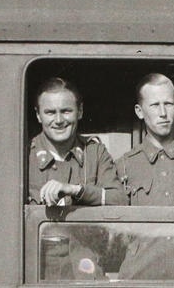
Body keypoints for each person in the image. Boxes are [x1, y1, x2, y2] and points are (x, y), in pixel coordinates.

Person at [27, 78, 124, 208]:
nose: (59, 120)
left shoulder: (95, 153)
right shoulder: (25, 155)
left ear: (80, 111)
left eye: (66, 111)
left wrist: (76, 190)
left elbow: (120, 199)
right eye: (50, 112)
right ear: (38, 115)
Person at [119, 73, 174, 207]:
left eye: (168, 104)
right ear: (139, 111)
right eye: (154, 105)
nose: (163, 113)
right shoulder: (124, 165)